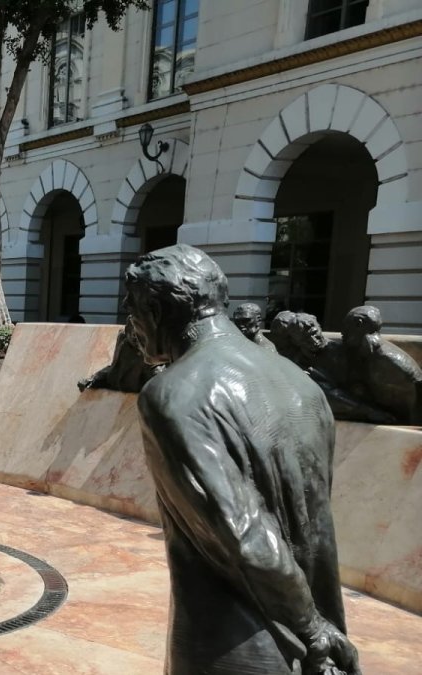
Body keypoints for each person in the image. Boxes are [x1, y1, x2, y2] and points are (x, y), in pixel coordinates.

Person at [124, 245, 359, 675]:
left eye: (132, 311)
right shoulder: (299, 382)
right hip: (312, 639)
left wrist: (312, 629)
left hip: (238, 642)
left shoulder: (173, 395)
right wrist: (319, 627)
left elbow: (243, 533)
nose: (131, 327)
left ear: (155, 311)